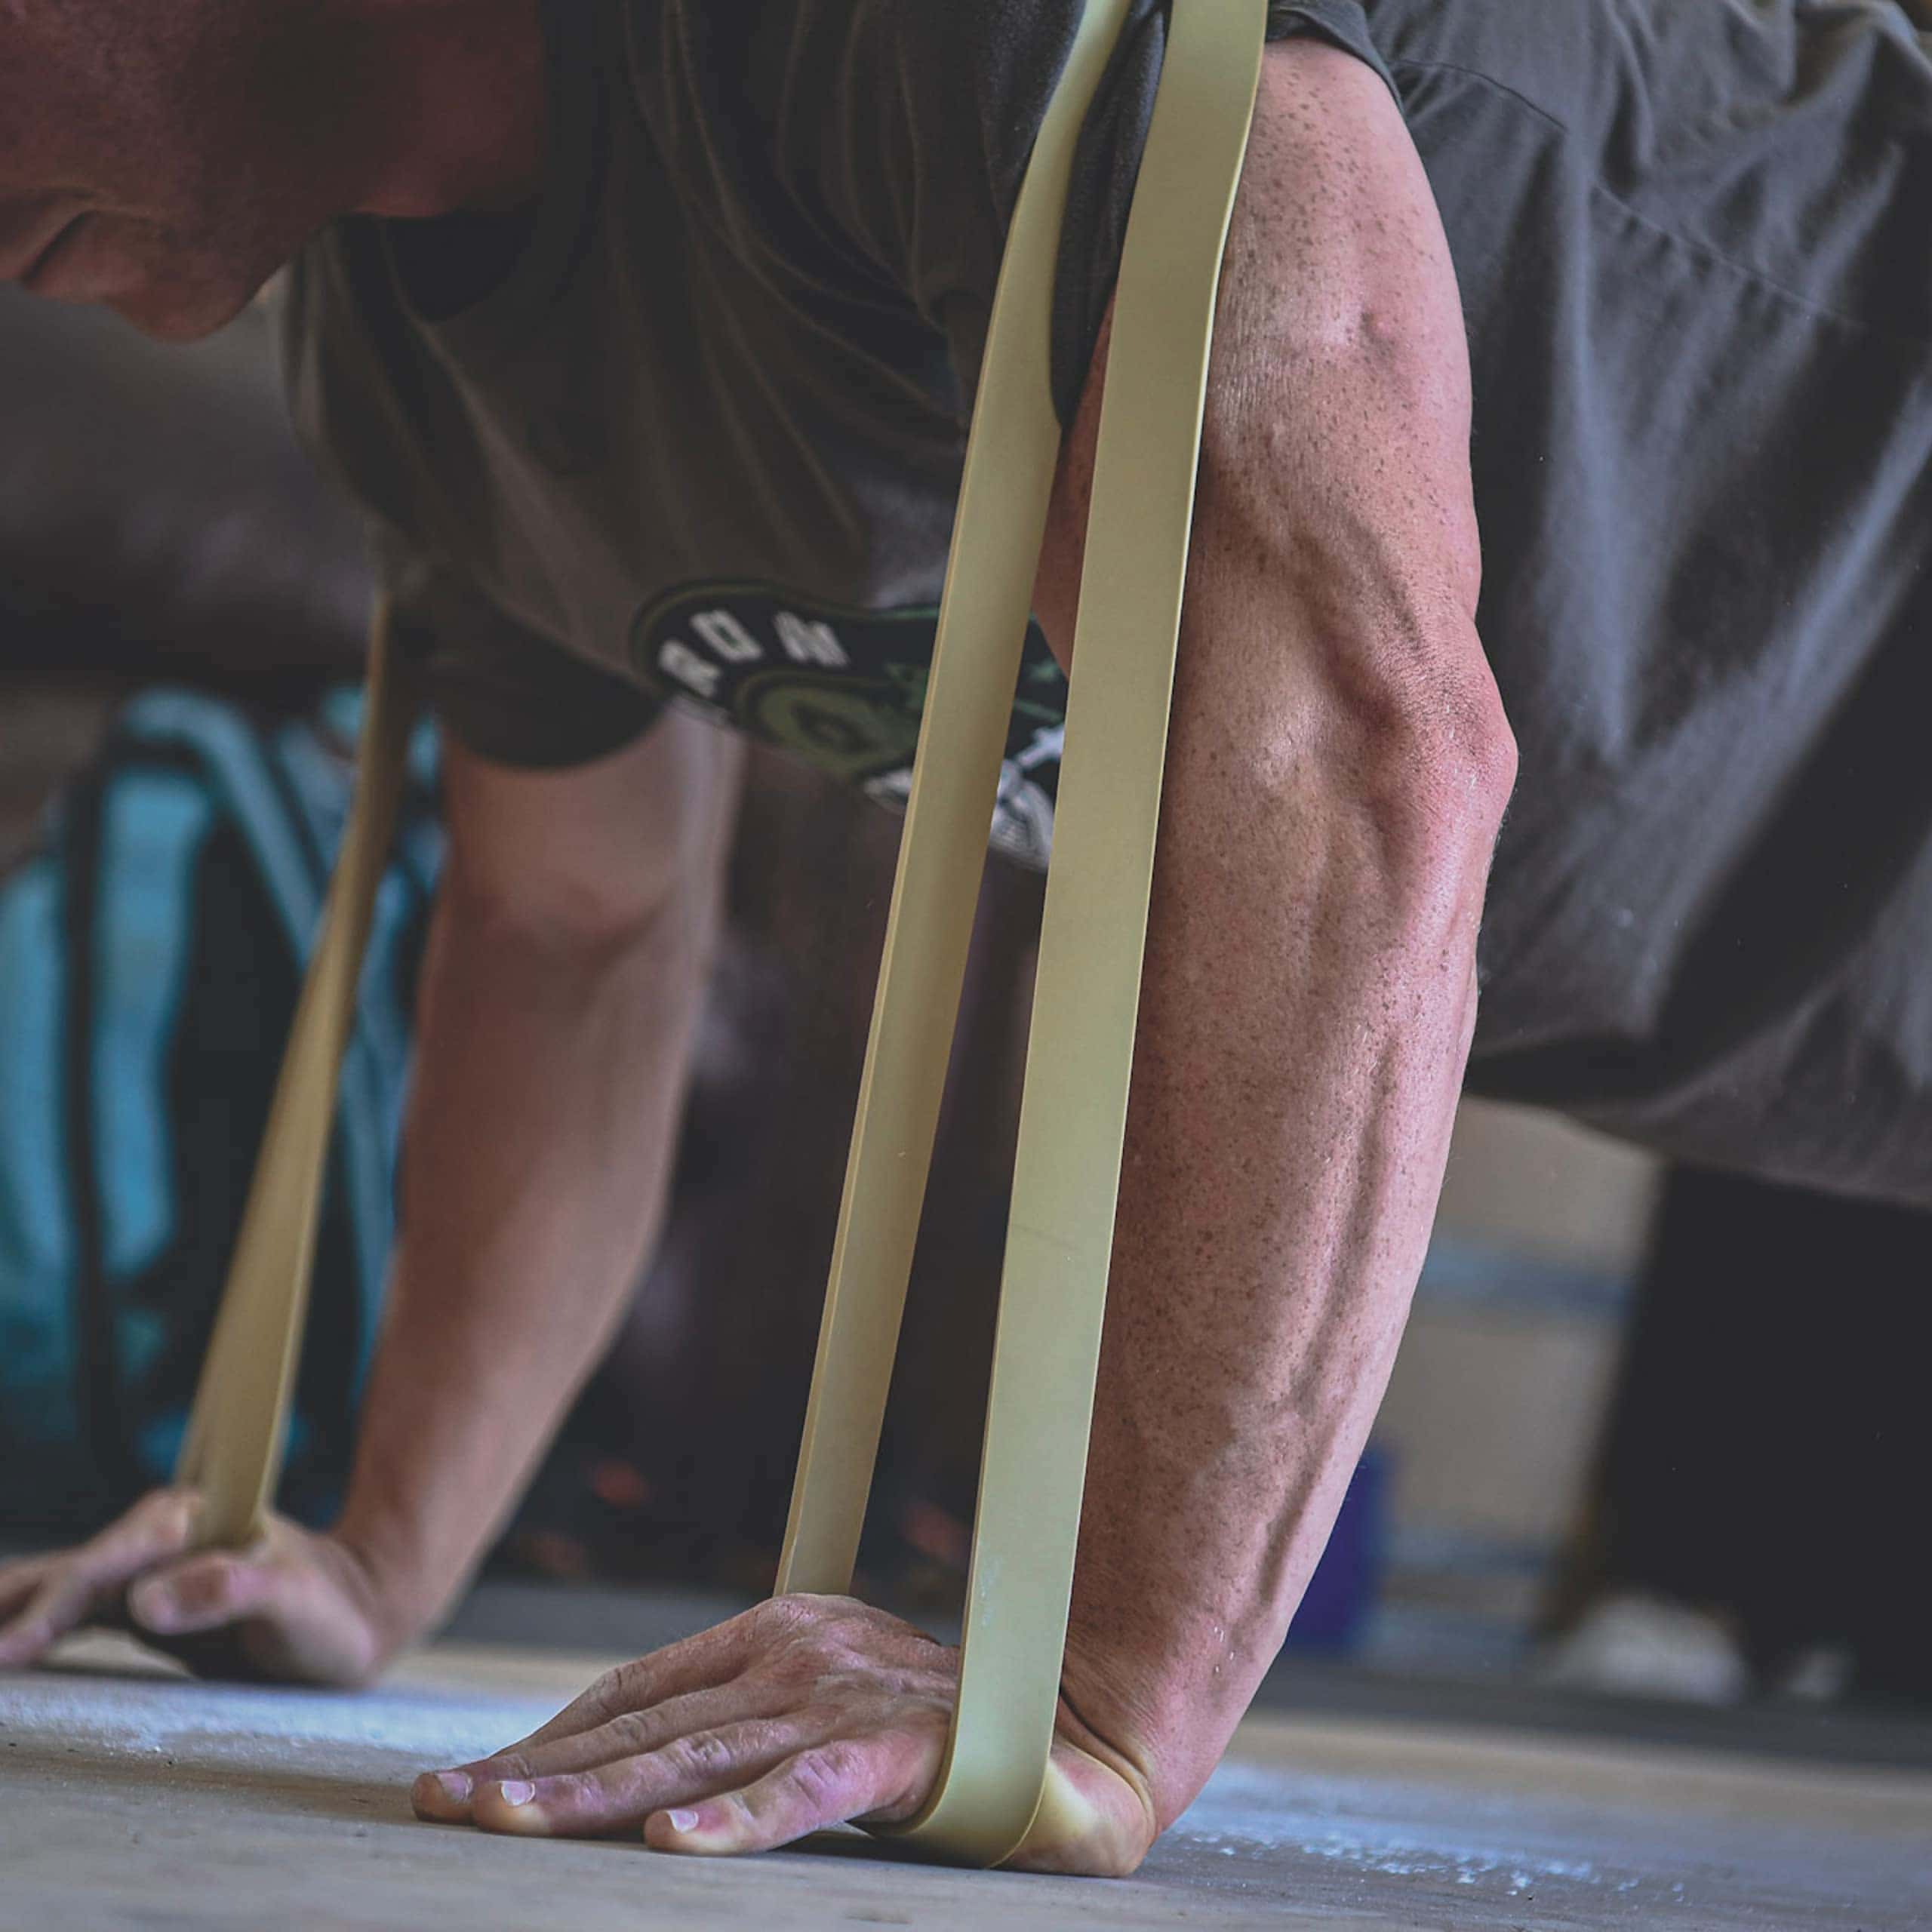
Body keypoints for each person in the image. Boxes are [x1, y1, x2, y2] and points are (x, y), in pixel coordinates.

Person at [1, 0, 1927, 1876]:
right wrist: (367, 1551)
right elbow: (575, 923)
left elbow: (1350, 748)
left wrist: (1086, 1687)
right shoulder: (407, 362)